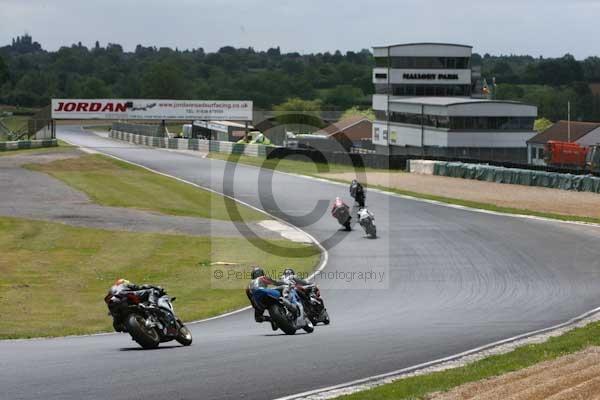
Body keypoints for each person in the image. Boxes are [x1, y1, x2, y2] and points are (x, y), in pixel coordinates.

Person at [108, 278, 177, 334]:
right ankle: (153, 305)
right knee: (151, 291)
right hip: (126, 296)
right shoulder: (124, 284)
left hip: (114, 305)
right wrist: (157, 288)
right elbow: (140, 287)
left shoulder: (112, 290)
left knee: (117, 320)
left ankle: (122, 325)